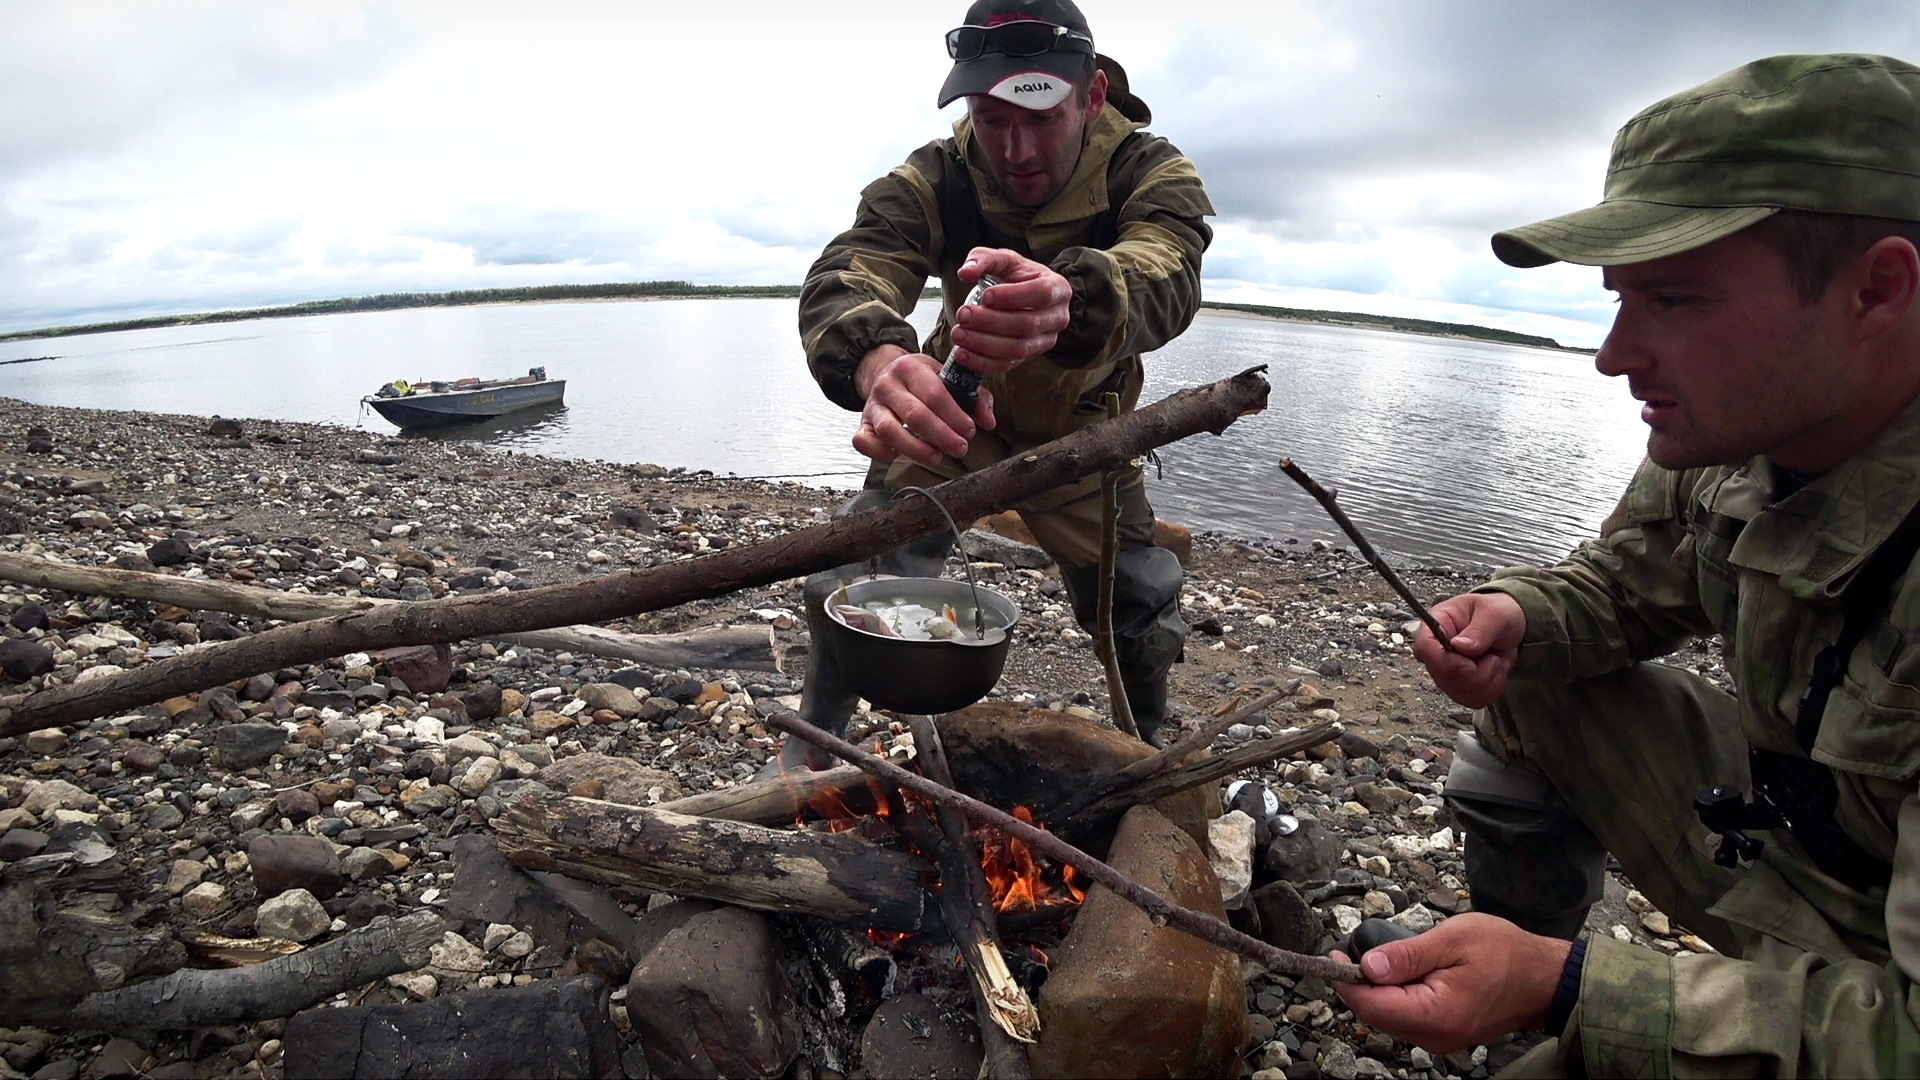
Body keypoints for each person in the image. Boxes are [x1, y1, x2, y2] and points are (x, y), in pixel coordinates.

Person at [1332, 54, 1920, 1076]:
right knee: (1541, 687)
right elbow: (1628, 583)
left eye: (1674, 300)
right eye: (1619, 300)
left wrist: (1573, 987)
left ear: (1879, 289)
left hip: (1885, 1000)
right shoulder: (1749, 433)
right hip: (1794, 846)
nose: (1611, 355)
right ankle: (1507, 981)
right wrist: (1520, 615)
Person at [783, 0, 1213, 767]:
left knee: (1139, 599)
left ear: (1092, 97)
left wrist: (1074, 298)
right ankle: (811, 748)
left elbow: (1169, 269)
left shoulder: (1148, 169)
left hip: (1086, 431)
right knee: (853, 570)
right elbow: (851, 268)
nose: (1014, 148)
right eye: (989, 117)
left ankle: (1149, 753)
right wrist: (879, 360)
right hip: (957, 412)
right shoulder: (936, 175)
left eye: (1039, 116)